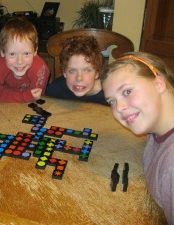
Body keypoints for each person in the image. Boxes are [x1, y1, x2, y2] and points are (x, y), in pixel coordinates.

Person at [101, 52, 174, 224]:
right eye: (111, 101)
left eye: (127, 91)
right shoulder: (156, 127)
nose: (119, 108)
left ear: (159, 83)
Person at [0, 17, 50, 103]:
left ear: (35, 51)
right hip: (6, 105)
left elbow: (35, 98)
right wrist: (25, 96)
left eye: (26, 54)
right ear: (2, 52)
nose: (20, 61)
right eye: (12, 54)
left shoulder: (39, 69)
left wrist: (6, 93)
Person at [46, 36, 108, 105]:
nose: (79, 78)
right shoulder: (55, 89)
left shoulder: (110, 95)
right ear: (64, 72)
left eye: (87, 70)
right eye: (72, 71)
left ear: (97, 73)